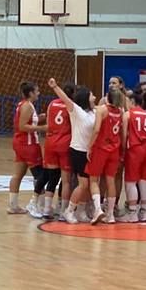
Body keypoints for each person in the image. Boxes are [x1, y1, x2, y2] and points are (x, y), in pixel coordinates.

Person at [48, 78, 97, 223]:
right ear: (85, 98)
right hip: (78, 152)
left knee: (88, 185)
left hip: (90, 153)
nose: (94, 97)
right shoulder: (77, 111)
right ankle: (68, 211)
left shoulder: (95, 112)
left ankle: (81, 211)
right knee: (83, 184)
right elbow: (65, 99)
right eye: (92, 95)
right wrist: (55, 87)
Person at [8, 81, 48, 215]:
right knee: (39, 175)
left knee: (18, 174)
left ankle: (13, 205)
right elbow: (23, 126)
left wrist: (40, 118)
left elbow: (28, 122)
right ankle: (40, 206)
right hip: (28, 144)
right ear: (31, 93)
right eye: (37, 91)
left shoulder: (24, 104)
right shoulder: (27, 106)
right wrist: (42, 128)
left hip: (20, 143)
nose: (39, 93)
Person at [87, 88, 123, 225]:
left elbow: (96, 130)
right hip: (114, 149)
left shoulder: (102, 110)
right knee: (110, 180)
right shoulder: (120, 112)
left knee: (93, 180)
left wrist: (89, 146)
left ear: (107, 97)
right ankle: (110, 214)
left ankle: (97, 209)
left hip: (101, 148)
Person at [118, 91, 146, 223]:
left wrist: (122, 151)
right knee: (145, 182)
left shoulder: (128, 114)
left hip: (135, 148)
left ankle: (132, 213)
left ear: (132, 101)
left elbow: (124, 135)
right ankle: (144, 213)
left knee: (131, 181)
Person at [41, 82, 76, 218]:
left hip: (50, 143)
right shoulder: (71, 105)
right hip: (64, 144)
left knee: (52, 178)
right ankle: (63, 211)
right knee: (66, 181)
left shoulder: (52, 104)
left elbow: (49, 123)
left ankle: (46, 209)